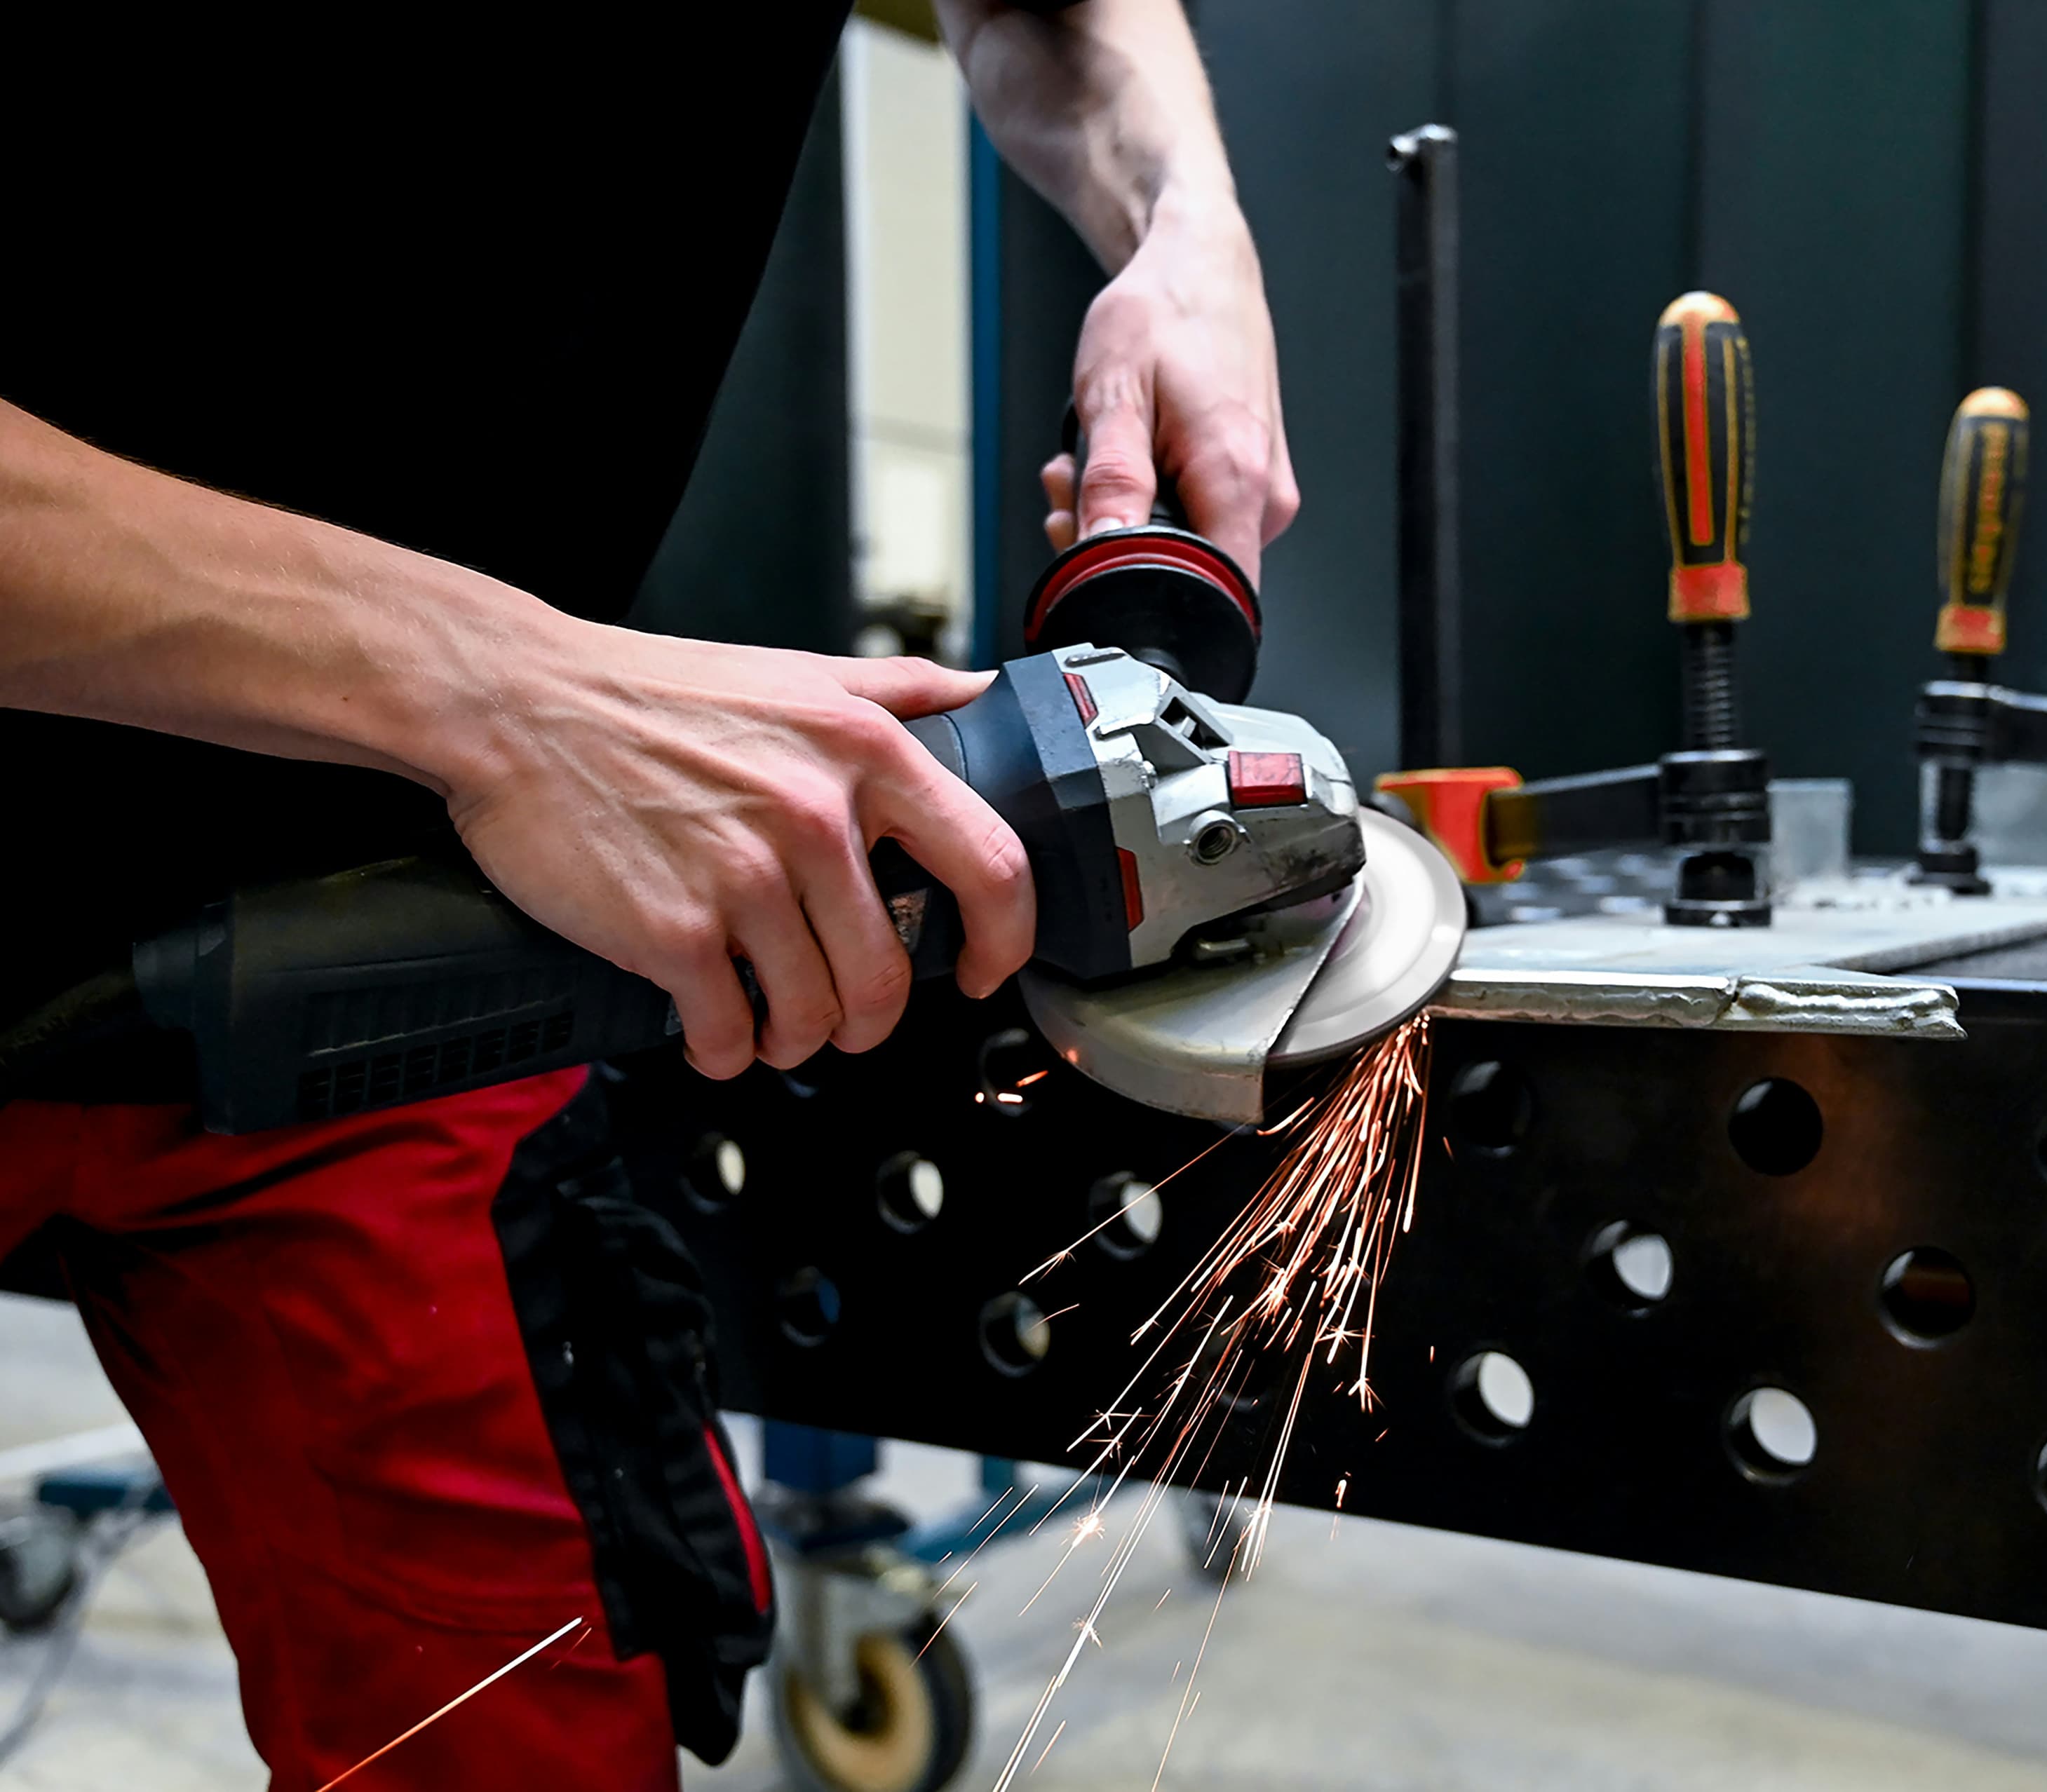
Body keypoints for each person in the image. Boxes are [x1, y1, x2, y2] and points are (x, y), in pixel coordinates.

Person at [0, 1, 1296, 1783]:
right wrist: (494, 688)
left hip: (406, 953)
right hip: (446, 766)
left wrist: (1186, 232)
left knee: (533, 1719)